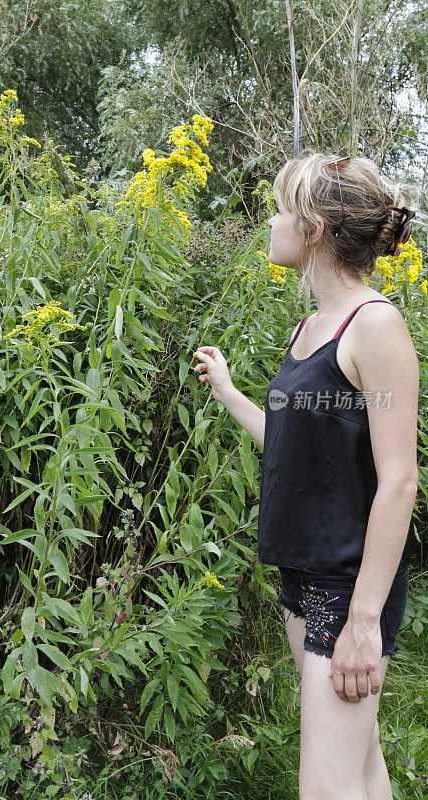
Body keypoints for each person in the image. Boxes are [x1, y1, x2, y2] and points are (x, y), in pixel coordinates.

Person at [191, 153, 419, 800]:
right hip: (304, 576)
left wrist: (365, 619)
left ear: (314, 227)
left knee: (326, 786)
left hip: (347, 588)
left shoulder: (373, 325)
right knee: (361, 766)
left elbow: (399, 479)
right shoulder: (311, 327)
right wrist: (233, 393)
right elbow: (296, 449)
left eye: (283, 207)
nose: (271, 220)